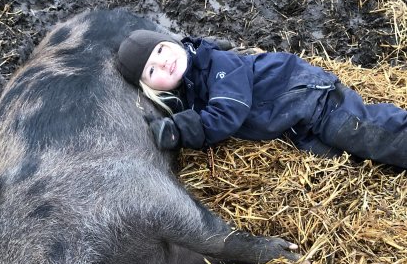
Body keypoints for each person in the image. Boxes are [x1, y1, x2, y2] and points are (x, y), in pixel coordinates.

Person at [116, 29, 407, 169]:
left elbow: (228, 112)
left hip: (307, 96)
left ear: (171, 43)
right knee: (346, 160)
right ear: (150, 87)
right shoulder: (190, 89)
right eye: (151, 70)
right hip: (294, 124)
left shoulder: (218, 63)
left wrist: (181, 131)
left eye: (160, 51)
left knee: (360, 130)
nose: (163, 62)